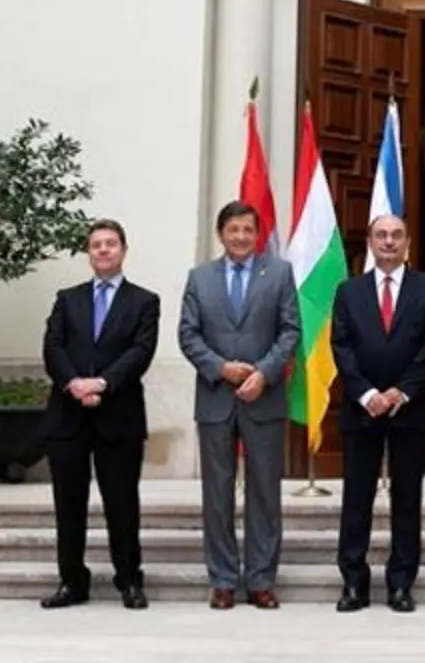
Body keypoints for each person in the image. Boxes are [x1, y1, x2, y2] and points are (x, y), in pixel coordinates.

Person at [177, 200, 301, 610]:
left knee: (265, 492)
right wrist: (221, 368)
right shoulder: (200, 278)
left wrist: (262, 374)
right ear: (221, 233)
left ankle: (261, 580)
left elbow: (290, 331)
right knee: (218, 494)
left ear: (257, 233)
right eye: (233, 230)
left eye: (248, 230)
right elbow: (188, 334)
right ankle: (224, 580)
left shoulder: (279, 273)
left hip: (263, 398)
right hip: (215, 399)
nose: (241, 237)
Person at [40, 218, 159, 610]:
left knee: (122, 503)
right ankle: (72, 581)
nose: (103, 250)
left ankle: (129, 580)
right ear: (88, 253)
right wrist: (74, 384)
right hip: (68, 417)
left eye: (111, 243)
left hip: (118, 417)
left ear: (124, 250)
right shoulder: (66, 298)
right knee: (68, 503)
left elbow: (140, 352)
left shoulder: (144, 301)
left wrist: (102, 384)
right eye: (96, 245)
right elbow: (53, 347)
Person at [329, 214, 425, 614]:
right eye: (381, 235)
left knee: (407, 500)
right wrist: (366, 394)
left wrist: (402, 392)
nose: (389, 242)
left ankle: (400, 584)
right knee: (357, 500)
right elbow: (341, 346)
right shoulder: (349, 291)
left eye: (397, 235)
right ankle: (354, 583)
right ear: (370, 242)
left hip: (411, 411)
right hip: (362, 412)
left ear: (408, 243)